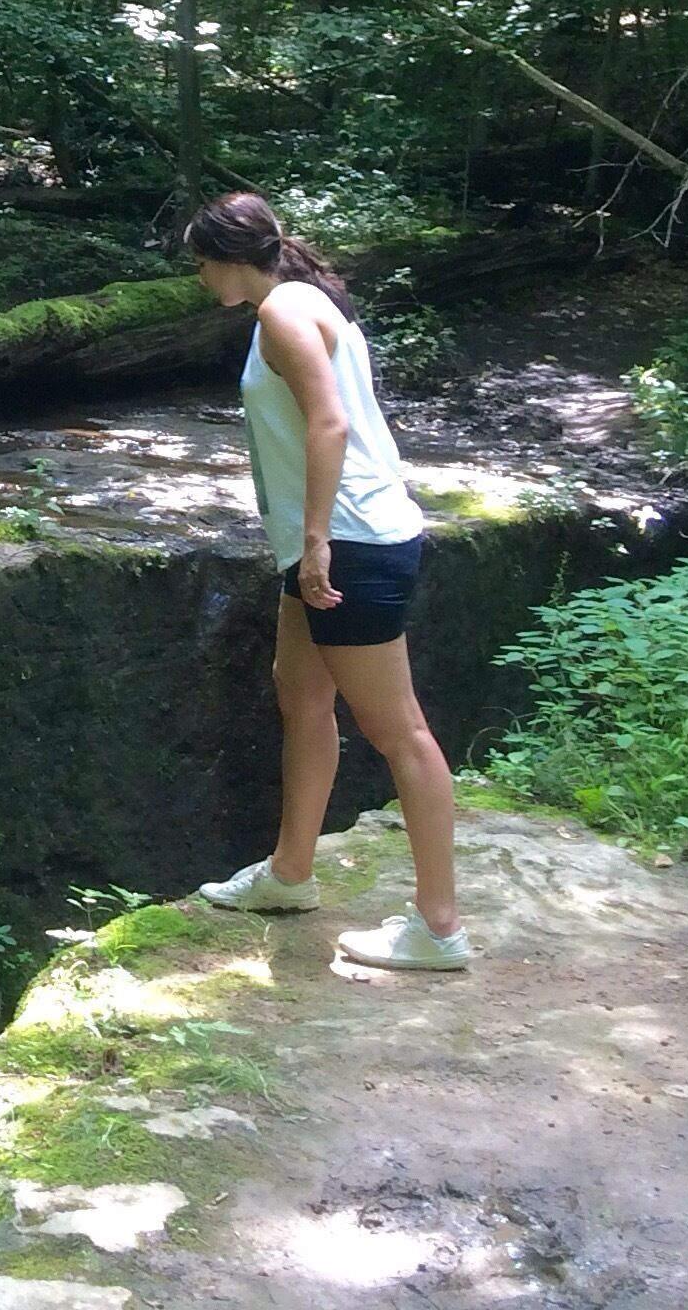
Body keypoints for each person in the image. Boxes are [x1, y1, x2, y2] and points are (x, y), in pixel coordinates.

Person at [182, 192, 471, 971]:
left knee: (398, 730)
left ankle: (438, 927)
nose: (201, 277)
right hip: (337, 542)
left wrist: (314, 545)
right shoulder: (307, 296)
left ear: (230, 258)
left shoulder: (281, 314)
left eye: (202, 262)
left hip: (350, 544)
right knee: (300, 692)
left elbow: (330, 421)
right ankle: (289, 874)